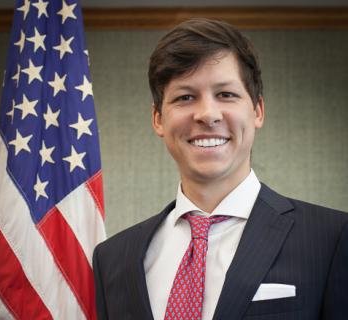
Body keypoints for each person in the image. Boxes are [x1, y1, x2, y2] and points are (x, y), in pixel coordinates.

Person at [92, 18, 348, 320]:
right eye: (185, 97)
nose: (207, 114)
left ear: (257, 110)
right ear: (158, 119)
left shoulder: (333, 239)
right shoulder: (112, 258)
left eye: (226, 94)